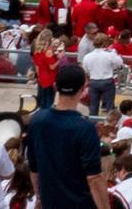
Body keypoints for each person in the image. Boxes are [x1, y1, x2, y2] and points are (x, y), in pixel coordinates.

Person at [26, 62, 109, 209]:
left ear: (55, 87)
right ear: (83, 90)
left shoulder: (37, 120)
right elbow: (94, 178)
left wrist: (39, 198)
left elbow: (34, 168)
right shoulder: (86, 128)